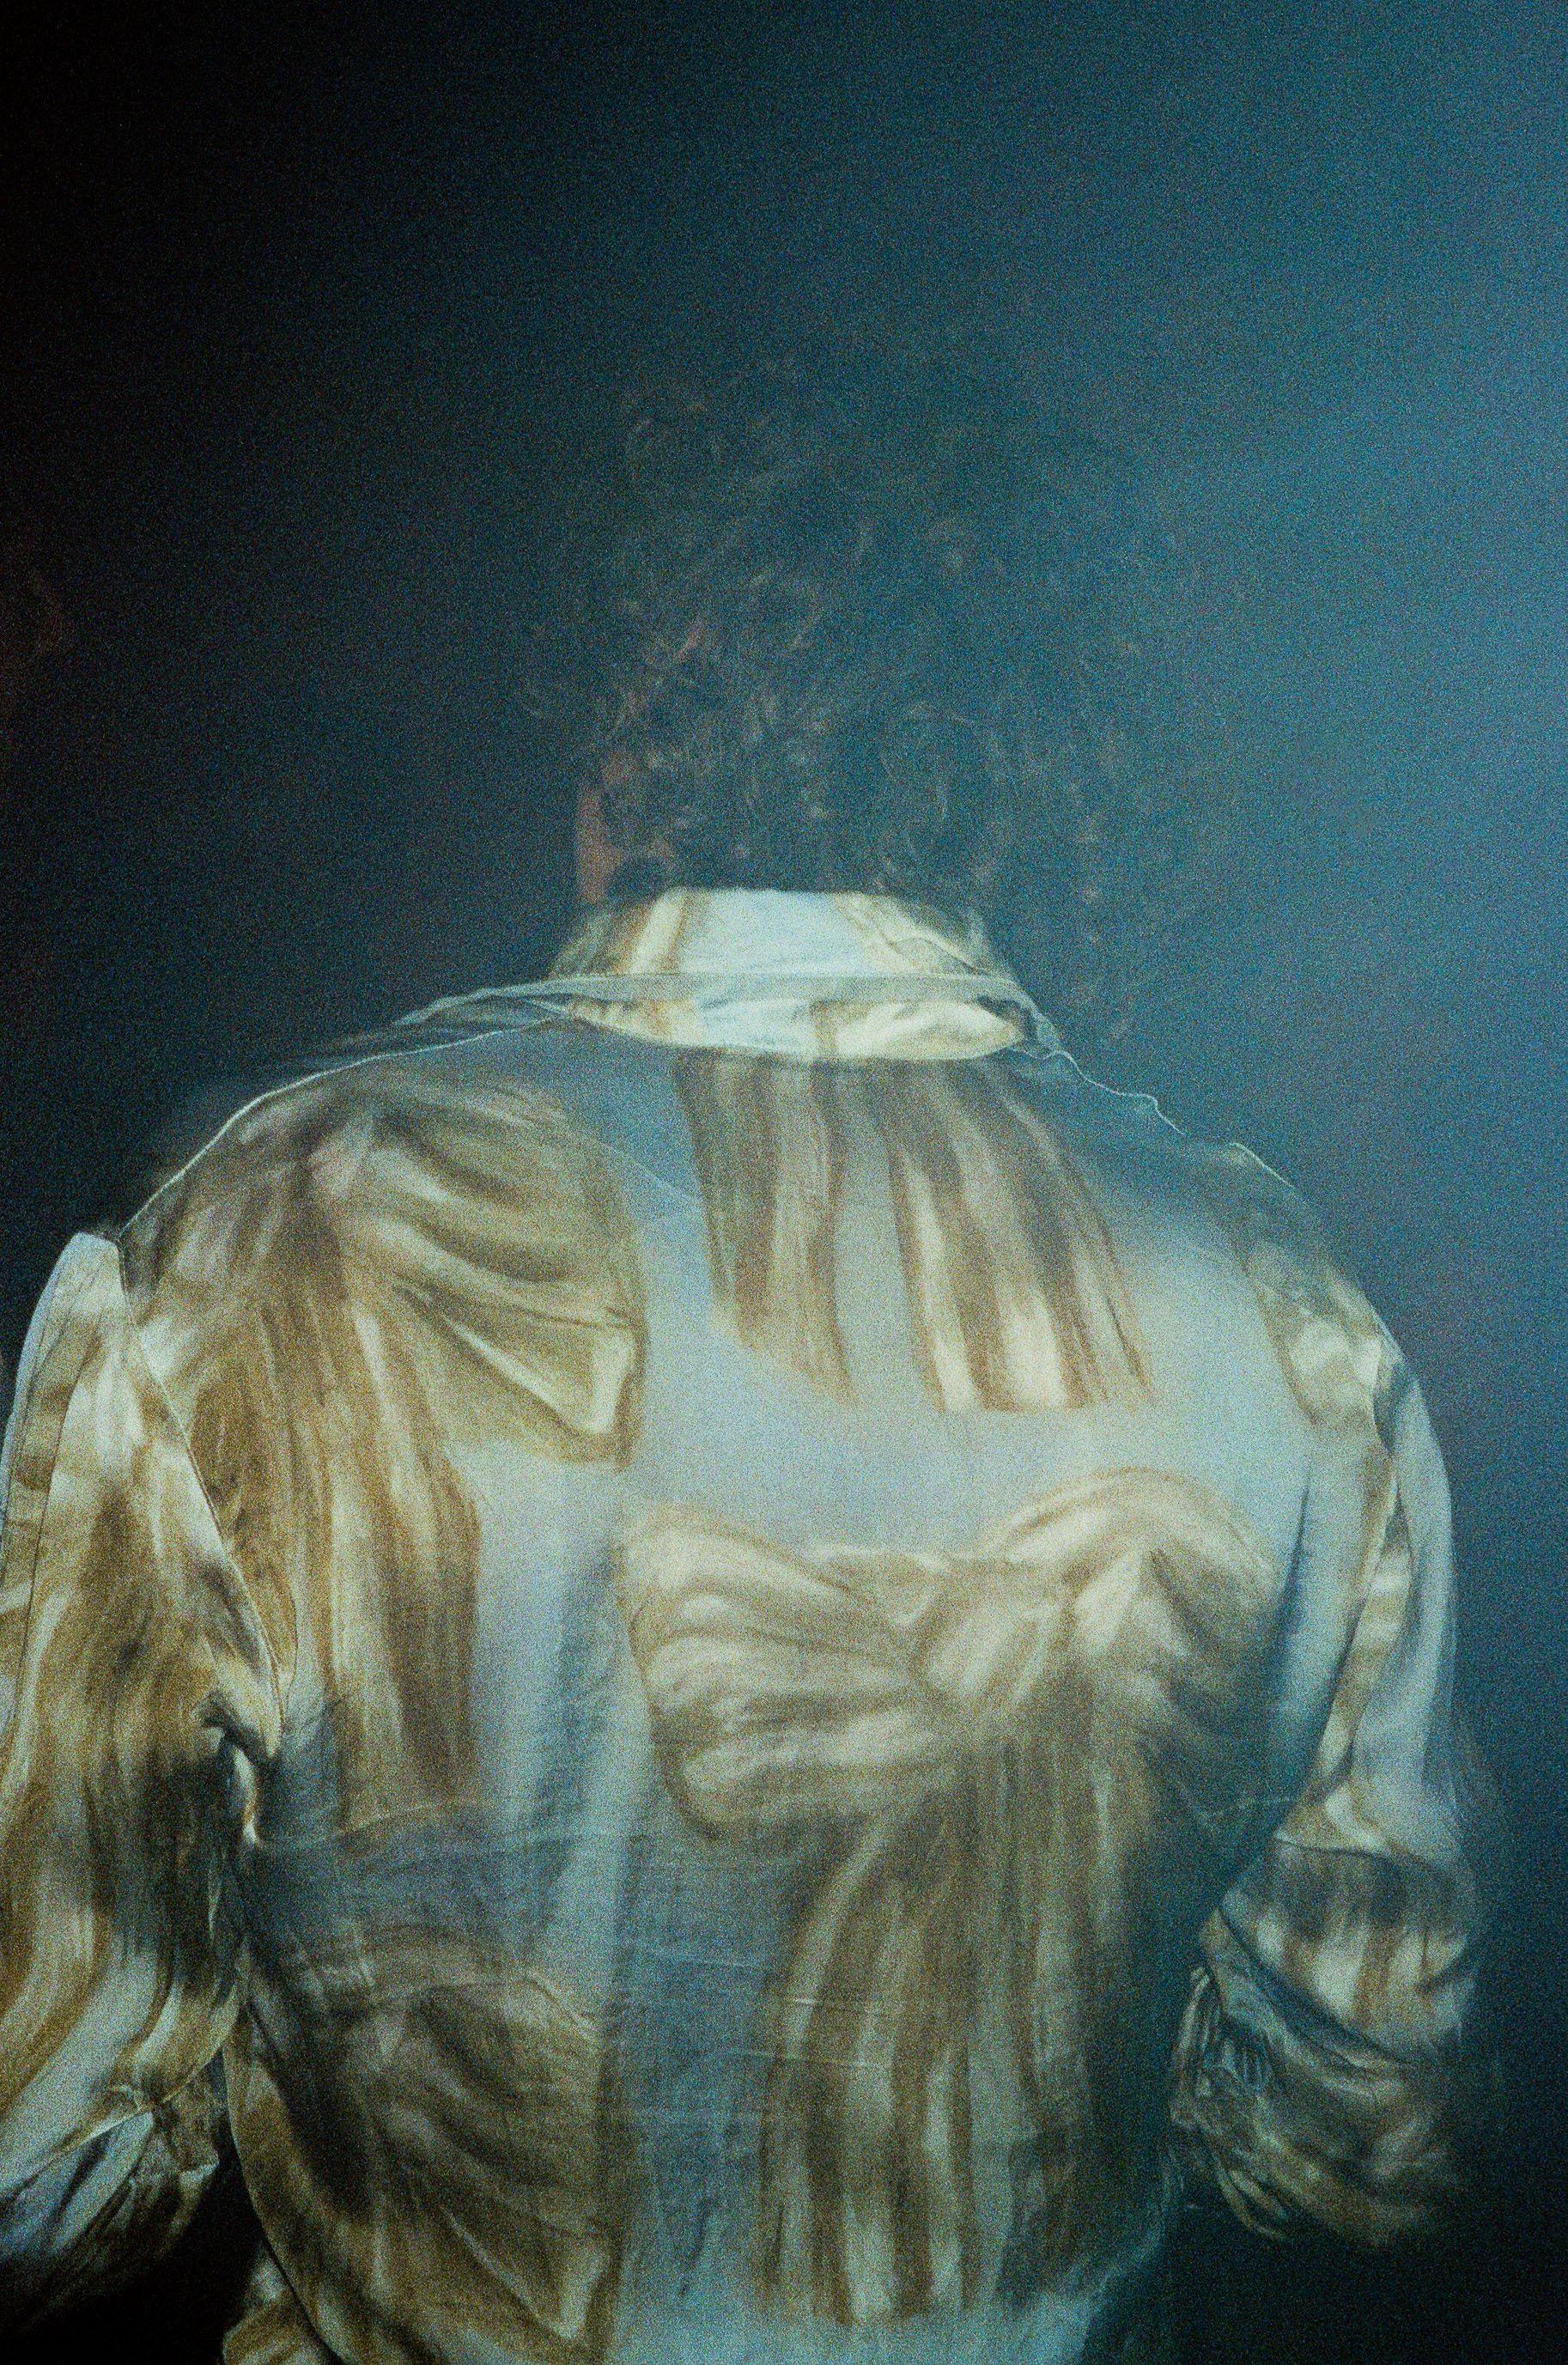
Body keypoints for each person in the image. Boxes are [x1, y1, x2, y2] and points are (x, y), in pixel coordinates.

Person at [0, 362, 1494, 2364]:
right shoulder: (1282, 1314)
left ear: (623, 727)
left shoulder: (250, 1240)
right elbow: (1362, 2142)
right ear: (1067, 778)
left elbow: (40, 2162)